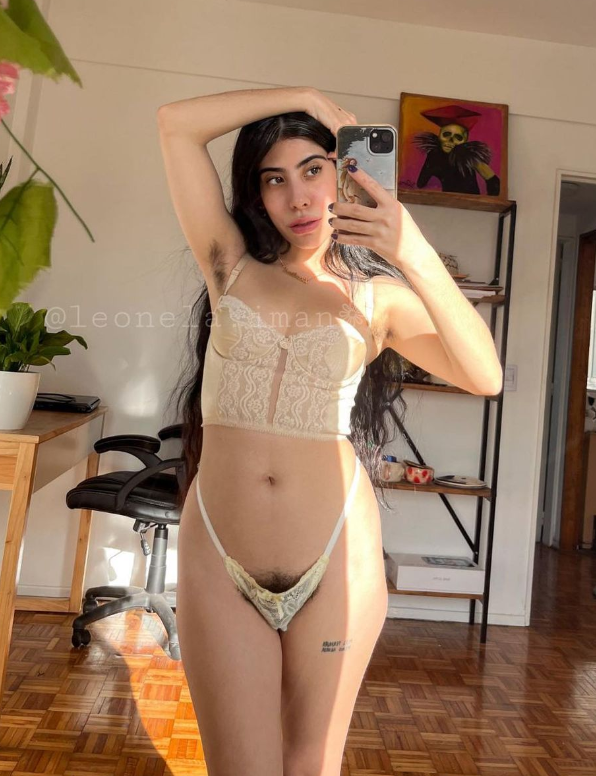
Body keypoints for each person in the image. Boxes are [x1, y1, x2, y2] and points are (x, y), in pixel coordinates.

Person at [157, 86, 503, 776]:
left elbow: (484, 375)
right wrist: (302, 96)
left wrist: (412, 248)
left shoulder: (380, 300)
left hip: (337, 560)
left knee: (310, 767)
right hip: (219, 557)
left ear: (344, 173)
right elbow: (175, 124)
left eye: (313, 169)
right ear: (257, 195)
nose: (298, 197)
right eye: (274, 179)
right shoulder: (229, 263)